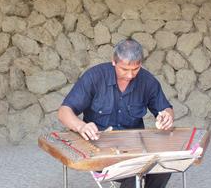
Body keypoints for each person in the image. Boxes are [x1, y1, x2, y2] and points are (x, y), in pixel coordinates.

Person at [58, 38, 174, 188]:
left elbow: (166, 108)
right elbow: (63, 112)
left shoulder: (147, 81)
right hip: (99, 148)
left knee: (163, 167)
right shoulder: (94, 77)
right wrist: (81, 126)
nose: (130, 75)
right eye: (124, 69)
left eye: (135, 69)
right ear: (114, 61)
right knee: (134, 172)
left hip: (134, 148)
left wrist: (167, 116)